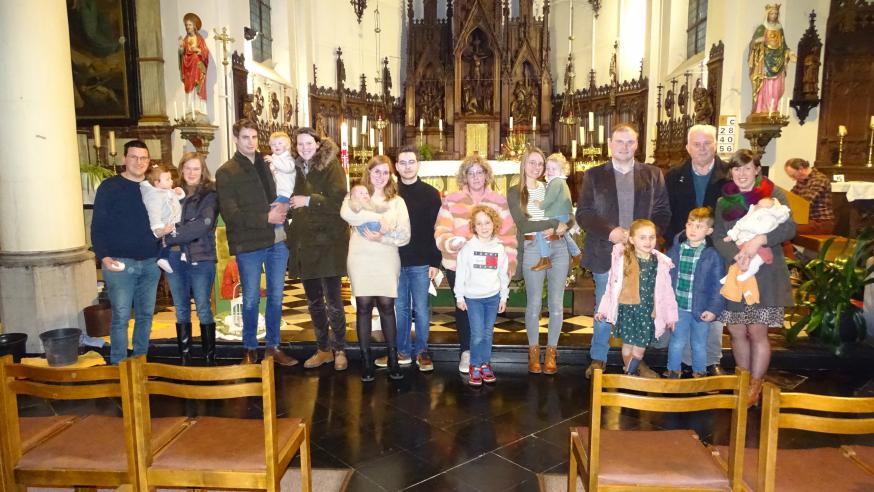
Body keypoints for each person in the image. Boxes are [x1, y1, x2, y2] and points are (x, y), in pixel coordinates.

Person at [576, 123, 671, 378]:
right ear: (610, 144)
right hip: (607, 251)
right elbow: (584, 213)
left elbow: (663, 212)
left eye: (630, 142)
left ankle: (635, 358)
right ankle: (598, 358)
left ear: (637, 144)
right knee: (604, 307)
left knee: (639, 308)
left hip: (642, 255)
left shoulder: (652, 174)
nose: (624, 147)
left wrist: (646, 237)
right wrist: (611, 232)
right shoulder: (594, 175)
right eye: (619, 142)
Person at [713, 149, 795, 405]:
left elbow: (789, 227)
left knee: (757, 330)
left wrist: (761, 239)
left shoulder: (773, 194)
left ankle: (756, 385)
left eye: (747, 168)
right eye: (737, 169)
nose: (742, 174)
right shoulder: (723, 202)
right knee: (737, 329)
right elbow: (717, 237)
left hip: (766, 274)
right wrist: (736, 255)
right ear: (731, 172)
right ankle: (743, 379)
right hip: (737, 270)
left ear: (757, 170)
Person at [215, 119, 296, 366]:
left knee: (276, 297)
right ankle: (249, 349)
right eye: (245, 137)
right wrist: (266, 217)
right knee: (250, 298)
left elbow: (283, 190)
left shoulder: (267, 163)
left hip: (276, 241)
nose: (251, 142)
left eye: (254, 137)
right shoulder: (226, 171)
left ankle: (273, 346)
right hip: (249, 244)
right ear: (236, 139)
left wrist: (285, 207)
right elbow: (232, 214)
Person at [435, 155, 517, 373]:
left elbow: (509, 235)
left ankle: (482, 356)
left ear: (487, 175)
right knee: (464, 307)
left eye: (480, 172)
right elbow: (441, 230)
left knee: (486, 315)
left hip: (490, 268)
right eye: (471, 173)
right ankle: (466, 352)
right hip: (458, 265)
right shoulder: (451, 200)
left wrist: (508, 265)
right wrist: (451, 243)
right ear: (464, 176)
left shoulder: (498, 201)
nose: (476, 177)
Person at [664, 124, 729, 375]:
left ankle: (710, 362)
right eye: (696, 144)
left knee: (710, 305)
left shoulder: (729, 175)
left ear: (715, 144)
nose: (702, 148)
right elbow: (667, 212)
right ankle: (681, 363)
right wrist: (675, 241)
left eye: (707, 143)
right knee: (683, 308)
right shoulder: (674, 175)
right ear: (688, 147)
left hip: (718, 250)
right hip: (684, 248)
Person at [340, 156, 411, 382]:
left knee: (387, 306)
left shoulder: (397, 201)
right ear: (368, 173)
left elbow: (405, 235)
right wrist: (379, 218)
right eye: (376, 171)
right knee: (363, 306)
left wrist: (383, 237)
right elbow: (347, 214)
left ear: (390, 175)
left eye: (385, 172)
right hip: (360, 256)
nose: (380, 176)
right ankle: (366, 361)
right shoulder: (357, 195)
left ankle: (392, 358)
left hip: (386, 255)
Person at [91, 140, 161, 365]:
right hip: (120, 264)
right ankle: (119, 365)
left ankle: (140, 362)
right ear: (124, 159)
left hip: (150, 263)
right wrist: (103, 256)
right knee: (121, 318)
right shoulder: (110, 187)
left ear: (149, 162)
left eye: (143, 158)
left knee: (145, 317)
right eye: (134, 157)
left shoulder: (154, 188)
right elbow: (97, 226)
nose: (139, 162)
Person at [287, 127, 350, 371]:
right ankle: (323, 349)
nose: (304, 148)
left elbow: (338, 202)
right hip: (304, 243)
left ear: (317, 143)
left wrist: (309, 200)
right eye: (300, 144)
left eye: (308, 143)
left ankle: (341, 349)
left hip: (329, 243)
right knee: (314, 301)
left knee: (333, 301)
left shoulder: (330, 166)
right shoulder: (293, 167)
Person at [376, 146, 442, 371]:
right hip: (395, 260)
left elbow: (437, 230)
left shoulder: (431, 194)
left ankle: (422, 351)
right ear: (396, 166)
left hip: (422, 260)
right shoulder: (389, 194)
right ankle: (402, 351)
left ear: (418, 165)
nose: (407, 166)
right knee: (400, 308)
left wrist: (435, 262)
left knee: (422, 309)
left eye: (411, 162)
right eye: (402, 162)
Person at [507, 148, 572, 375]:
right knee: (534, 303)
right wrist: (553, 225)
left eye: (541, 164)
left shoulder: (552, 186)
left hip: (559, 247)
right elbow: (524, 225)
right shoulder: (515, 192)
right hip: (534, 247)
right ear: (524, 164)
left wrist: (566, 225)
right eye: (532, 163)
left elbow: (569, 214)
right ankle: (533, 351)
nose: (537, 168)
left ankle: (552, 351)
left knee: (556, 303)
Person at [595, 220, 678, 375]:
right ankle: (629, 371)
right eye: (643, 237)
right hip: (627, 311)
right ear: (632, 239)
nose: (648, 241)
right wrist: (603, 310)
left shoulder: (660, 263)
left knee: (639, 350)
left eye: (651, 237)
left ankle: (629, 374)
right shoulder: (622, 260)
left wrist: (671, 316)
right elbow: (611, 287)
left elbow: (667, 292)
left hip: (647, 313)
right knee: (627, 348)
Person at [163, 152, 218, 365]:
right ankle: (185, 357)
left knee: (203, 307)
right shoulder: (170, 193)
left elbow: (202, 225)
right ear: (181, 169)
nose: (192, 173)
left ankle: (208, 358)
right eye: (188, 168)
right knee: (181, 307)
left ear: (202, 170)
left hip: (201, 257)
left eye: (196, 168)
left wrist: (170, 235)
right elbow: (159, 218)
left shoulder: (210, 193)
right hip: (174, 257)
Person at [666, 208, 725, 378]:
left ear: (709, 231)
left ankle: (699, 373)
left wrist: (714, 309)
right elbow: (666, 279)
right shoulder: (676, 250)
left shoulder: (712, 255)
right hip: (679, 307)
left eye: (699, 226)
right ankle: (673, 370)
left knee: (699, 343)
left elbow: (718, 285)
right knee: (677, 341)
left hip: (702, 309)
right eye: (690, 224)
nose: (692, 229)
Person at [454, 205, 510, 386]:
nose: (484, 227)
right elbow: (461, 273)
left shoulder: (499, 248)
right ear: (474, 227)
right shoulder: (468, 248)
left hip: (492, 298)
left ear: (494, 224)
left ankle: (485, 364)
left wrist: (503, 297)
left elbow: (503, 275)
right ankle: (475, 365)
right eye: (479, 224)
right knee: (477, 334)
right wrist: (459, 297)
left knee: (487, 334)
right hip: (473, 298)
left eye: (487, 222)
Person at [529, 153, 582, 271]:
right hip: (563, 214)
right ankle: (576, 253)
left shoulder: (556, 182)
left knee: (540, 230)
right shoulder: (560, 182)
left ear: (562, 170)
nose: (550, 171)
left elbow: (550, 199)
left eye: (554, 169)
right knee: (564, 234)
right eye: (548, 168)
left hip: (557, 214)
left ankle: (545, 258)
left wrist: (540, 204)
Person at [721, 197, 790, 286]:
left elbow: (784, 217)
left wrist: (775, 207)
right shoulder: (752, 213)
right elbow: (740, 224)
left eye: (764, 205)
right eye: (759, 204)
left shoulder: (773, 214)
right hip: (745, 240)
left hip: (762, 242)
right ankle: (731, 275)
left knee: (758, 257)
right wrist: (732, 235)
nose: (760, 206)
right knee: (741, 258)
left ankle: (751, 270)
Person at [748, 4, 794, 114]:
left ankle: (772, 110)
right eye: (772, 13)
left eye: (776, 14)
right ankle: (761, 108)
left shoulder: (780, 30)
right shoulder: (762, 28)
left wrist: (790, 53)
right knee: (765, 86)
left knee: (776, 88)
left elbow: (784, 46)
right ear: (767, 15)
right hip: (764, 62)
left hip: (778, 62)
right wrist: (759, 40)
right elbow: (753, 44)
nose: (774, 15)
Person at [139, 164, 185, 274]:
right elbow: (154, 213)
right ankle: (162, 258)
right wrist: (160, 229)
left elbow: (173, 198)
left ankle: (184, 253)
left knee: (181, 235)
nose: (171, 181)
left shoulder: (166, 190)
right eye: (168, 179)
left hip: (174, 220)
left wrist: (179, 192)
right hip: (166, 224)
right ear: (157, 183)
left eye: (171, 178)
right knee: (167, 242)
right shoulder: (153, 196)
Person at [783, 158, 835, 235]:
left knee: (784, 230)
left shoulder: (819, 179)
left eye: (793, 175)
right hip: (808, 221)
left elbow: (806, 203)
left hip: (821, 222)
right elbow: (791, 197)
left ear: (801, 169)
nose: (793, 179)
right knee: (780, 227)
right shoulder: (802, 180)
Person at [178, 12, 209, 115]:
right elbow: (182, 54)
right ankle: (190, 108)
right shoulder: (185, 40)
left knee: (198, 87)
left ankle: (199, 108)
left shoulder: (199, 39)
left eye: (190, 25)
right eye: (186, 25)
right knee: (190, 87)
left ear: (194, 26)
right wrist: (181, 48)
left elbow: (205, 52)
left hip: (198, 69)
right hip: (188, 69)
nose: (188, 27)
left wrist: (199, 50)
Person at [267, 131, 297, 213]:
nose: (276, 145)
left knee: (275, 210)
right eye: (273, 144)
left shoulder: (288, 158)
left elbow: (288, 168)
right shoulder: (274, 158)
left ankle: (279, 226)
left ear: (287, 146)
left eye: (280, 143)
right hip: (278, 191)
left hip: (287, 192)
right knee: (277, 211)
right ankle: (282, 224)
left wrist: (273, 161)